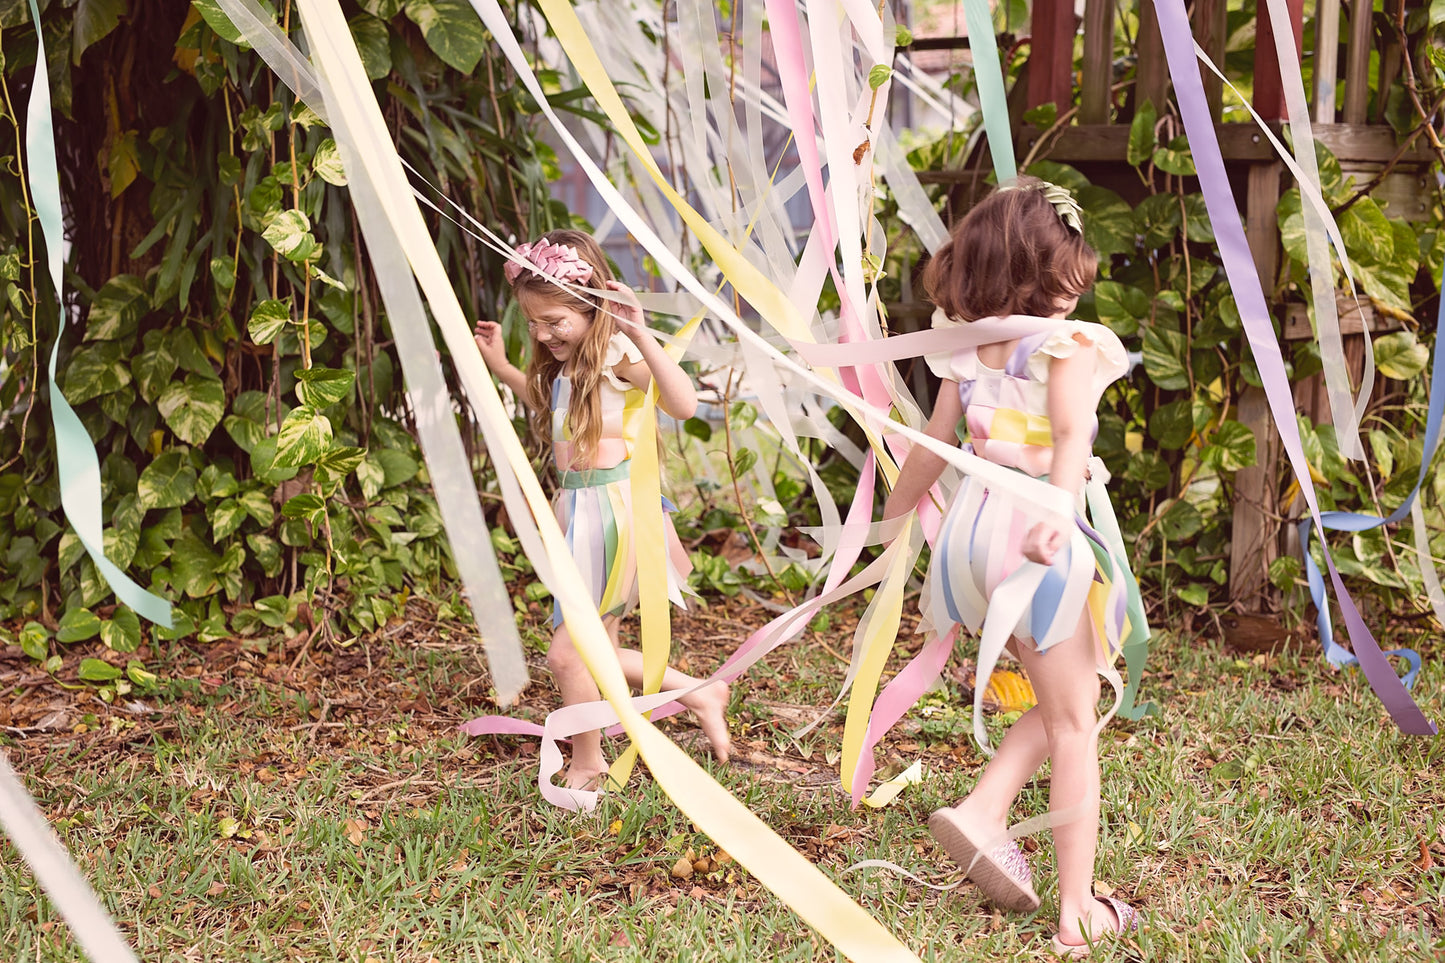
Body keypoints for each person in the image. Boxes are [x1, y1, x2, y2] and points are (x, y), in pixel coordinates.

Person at [881, 179, 1145, 956]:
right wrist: (1060, 518)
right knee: (1074, 726)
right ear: (1032, 273)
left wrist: (887, 521)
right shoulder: (1066, 345)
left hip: (978, 535)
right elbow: (1068, 438)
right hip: (1036, 527)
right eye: (1062, 276)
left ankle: (985, 808)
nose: (1070, 294)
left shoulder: (965, 344)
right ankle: (1076, 910)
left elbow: (932, 443)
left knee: (1077, 688)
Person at [473, 230, 730, 790]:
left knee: (570, 656)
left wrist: (639, 334)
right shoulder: (566, 366)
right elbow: (548, 405)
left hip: (616, 515)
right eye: (533, 323)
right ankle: (699, 692)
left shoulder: (617, 354)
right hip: (579, 513)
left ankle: (589, 762)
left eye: (555, 322)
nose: (542, 334)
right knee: (600, 647)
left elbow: (683, 405)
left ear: (591, 308)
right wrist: (501, 366)